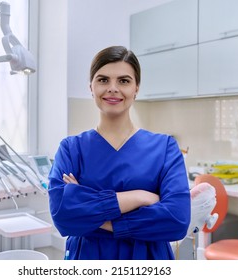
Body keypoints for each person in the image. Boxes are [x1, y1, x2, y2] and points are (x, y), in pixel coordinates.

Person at [48, 46, 191, 260]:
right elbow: (64, 217)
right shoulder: (71, 148)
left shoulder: (165, 148)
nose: (113, 88)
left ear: (136, 88)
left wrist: (92, 212)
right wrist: (139, 197)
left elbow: (176, 220)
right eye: (103, 80)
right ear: (91, 87)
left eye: (124, 81)